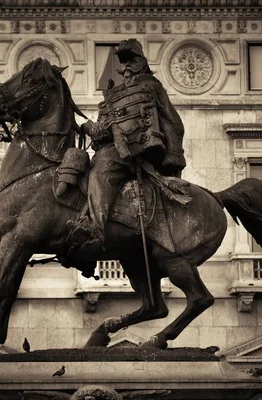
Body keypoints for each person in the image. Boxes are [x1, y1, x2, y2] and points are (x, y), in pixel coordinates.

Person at [67, 39, 186, 252]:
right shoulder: (112, 97)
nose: (127, 67)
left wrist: (173, 156)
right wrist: (87, 127)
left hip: (135, 152)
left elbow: (173, 121)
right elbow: (103, 130)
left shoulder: (152, 88)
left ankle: (97, 231)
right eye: (124, 63)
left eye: (132, 61)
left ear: (142, 62)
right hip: (111, 148)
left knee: (101, 172)